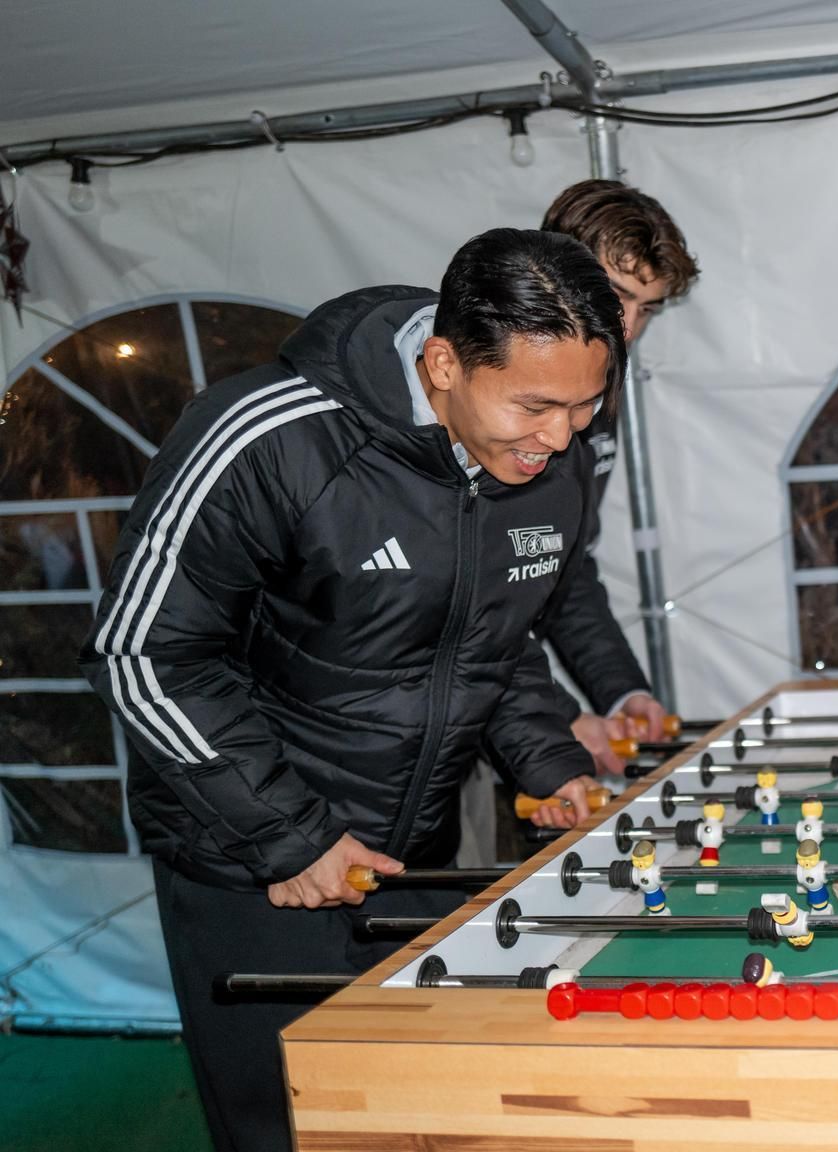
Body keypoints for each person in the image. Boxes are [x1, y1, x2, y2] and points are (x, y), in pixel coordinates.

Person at [80, 228, 624, 1152]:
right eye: (536, 406)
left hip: (415, 853)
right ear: (444, 362)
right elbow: (143, 652)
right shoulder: (267, 432)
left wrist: (546, 760)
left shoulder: (549, 457)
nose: (563, 438)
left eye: (587, 405)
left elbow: (490, 638)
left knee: (419, 1119)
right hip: (252, 864)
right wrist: (290, 836)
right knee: (293, 1131)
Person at [456, 181, 699, 866]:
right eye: (615, 296)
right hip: (438, 706)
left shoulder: (603, 395)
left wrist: (621, 691)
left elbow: (561, 566)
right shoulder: (495, 392)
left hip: (499, 701)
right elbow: (467, 598)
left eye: (646, 308)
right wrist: (558, 716)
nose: (627, 327)